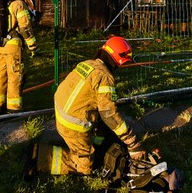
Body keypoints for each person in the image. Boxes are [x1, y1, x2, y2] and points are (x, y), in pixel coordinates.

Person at [49, 36, 146, 175]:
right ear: (118, 59)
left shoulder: (87, 63)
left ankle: (95, 143)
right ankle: (43, 157)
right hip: (73, 127)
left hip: (62, 114)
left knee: (103, 129)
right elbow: (109, 114)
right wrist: (131, 142)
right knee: (86, 167)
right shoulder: (104, 76)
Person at [0, 0, 37, 113]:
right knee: (14, 76)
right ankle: (13, 109)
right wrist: (32, 45)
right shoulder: (18, 4)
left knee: (0, 76)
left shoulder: (0, 1)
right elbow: (25, 27)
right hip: (13, 45)